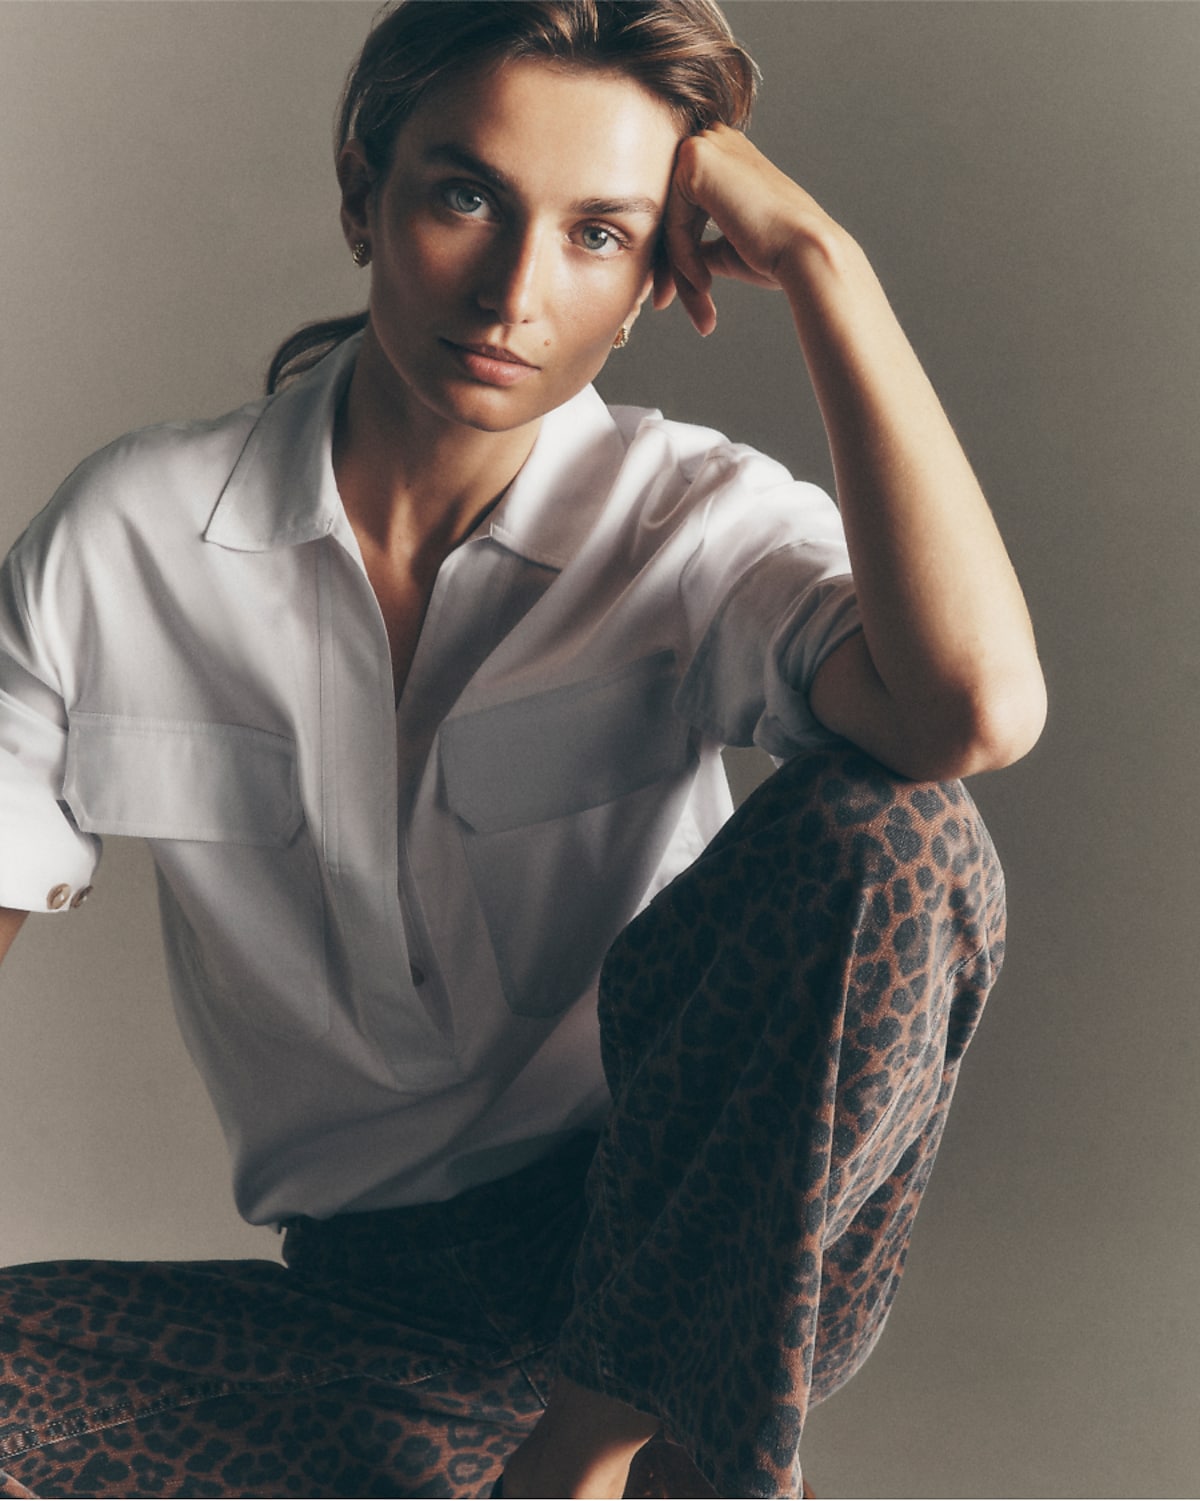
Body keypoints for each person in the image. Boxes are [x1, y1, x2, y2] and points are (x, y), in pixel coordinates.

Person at [0, 2, 1045, 1497]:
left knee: (899, 833)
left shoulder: (685, 523)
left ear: (655, 283)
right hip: (364, 1311)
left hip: (692, 1237)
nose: (512, 292)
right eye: (465, 195)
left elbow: (972, 713)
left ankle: (603, 1450)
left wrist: (828, 264)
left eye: (599, 234)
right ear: (363, 193)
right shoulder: (128, 536)